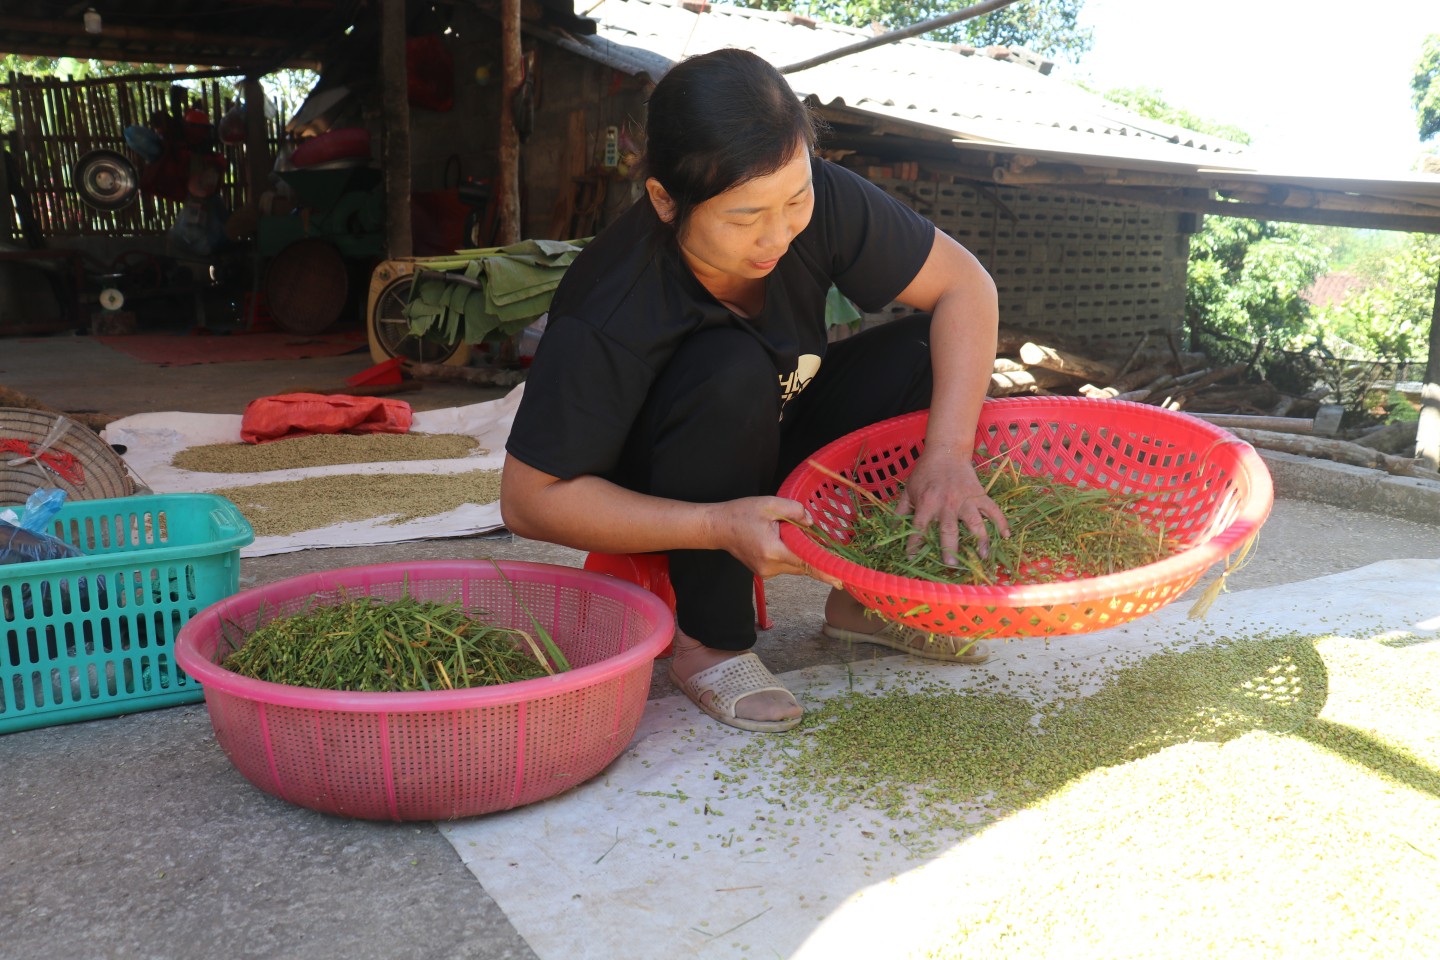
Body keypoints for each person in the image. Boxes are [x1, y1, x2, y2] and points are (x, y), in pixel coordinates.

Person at [501, 48, 1008, 733]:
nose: (777, 235)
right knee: (730, 368)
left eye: (794, 200)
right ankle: (710, 640)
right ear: (664, 199)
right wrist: (715, 525)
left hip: (771, 426)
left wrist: (948, 453)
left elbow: (965, 287)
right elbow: (530, 502)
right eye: (744, 217)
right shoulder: (611, 306)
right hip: (662, 493)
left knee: (929, 356)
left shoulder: (820, 202)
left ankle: (866, 601)